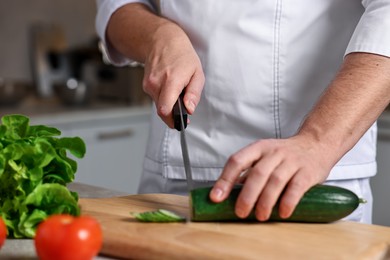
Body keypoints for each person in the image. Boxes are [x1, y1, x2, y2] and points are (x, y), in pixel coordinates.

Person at [95, 0, 390, 224]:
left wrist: (318, 141)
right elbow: (117, 5)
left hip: (316, 180)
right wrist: (157, 35)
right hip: (178, 177)